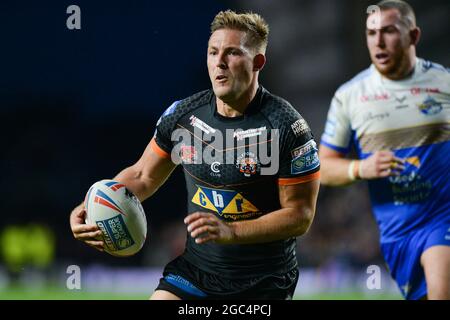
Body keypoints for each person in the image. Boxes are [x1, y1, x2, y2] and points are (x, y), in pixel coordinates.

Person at [70, 10, 320, 300]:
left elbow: (300, 216)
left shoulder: (287, 126)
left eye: (232, 53)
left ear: (257, 62)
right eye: (213, 52)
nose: (220, 62)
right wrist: (90, 205)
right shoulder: (184, 116)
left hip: (264, 281)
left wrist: (232, 232)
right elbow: (142, 176)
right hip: (196, 273)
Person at [319, 0, 450, 300]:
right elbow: (323, 168)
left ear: (413, 36)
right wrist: (359, 168)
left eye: (389, 31)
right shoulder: (350, 96)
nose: (378, 41)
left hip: (442, 218)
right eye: (371, 32)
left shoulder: (444, 83)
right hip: (396, 235)